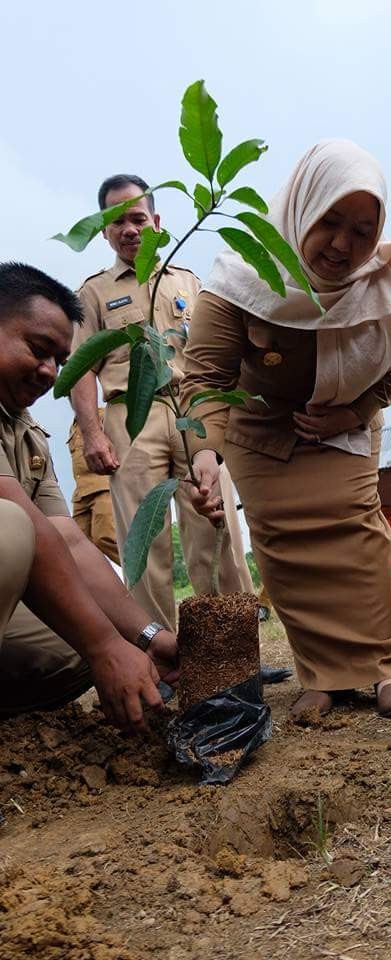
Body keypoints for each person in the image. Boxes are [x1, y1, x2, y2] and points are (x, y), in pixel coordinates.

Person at [180, 139, 391, 719]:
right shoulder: (240, 277)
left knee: (357, 535)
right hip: (260, 429)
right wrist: (205, 454)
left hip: (344, 425)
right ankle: (323, 676)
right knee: (285, 549)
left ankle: (385, 668)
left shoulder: (387, 281)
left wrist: (355, 411)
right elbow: (205, 377)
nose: (343, 245)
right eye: (330, 222)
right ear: (303, 207)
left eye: (362, 231)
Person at [0, 261, 179, 731]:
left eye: (60, 360)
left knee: (72, 643)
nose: (49, 372)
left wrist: (147, 637)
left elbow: (66, 540)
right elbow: (22, 524)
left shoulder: (26, 432)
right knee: (9, 526)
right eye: (37, 349)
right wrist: (104, 645)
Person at [70, 174, 253, 632]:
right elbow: (80, 368)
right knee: (143, 537)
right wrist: (92, 433)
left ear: (156, 221)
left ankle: (232, 647)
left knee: (215, 524)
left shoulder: (188, 281)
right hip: (131, 418)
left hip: (193, 411)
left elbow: (217, 354)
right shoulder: (92, 293)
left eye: (137, 218)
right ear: (105, 231)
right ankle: (162, 653)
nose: (128, 229)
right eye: (117, 222)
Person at [68, 408, 119, 565]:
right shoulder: (74, 425)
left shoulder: (102, 415)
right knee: (75, 547)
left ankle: (148, 573)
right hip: (81, 494)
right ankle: (97, 581)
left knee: (106, 537)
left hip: (102, 487)